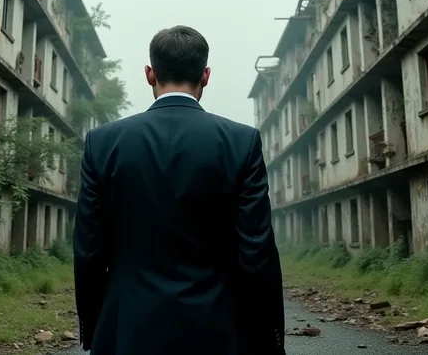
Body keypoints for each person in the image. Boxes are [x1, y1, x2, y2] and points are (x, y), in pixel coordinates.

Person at [73, 25, 285, 355]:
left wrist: (94, 324)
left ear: (149, 73)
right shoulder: (241, 142)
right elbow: (257, 252)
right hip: (217, 329)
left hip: (126, 328)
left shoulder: (102, 144)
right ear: (206, 75)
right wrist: (266, 337)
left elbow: (88, 250)